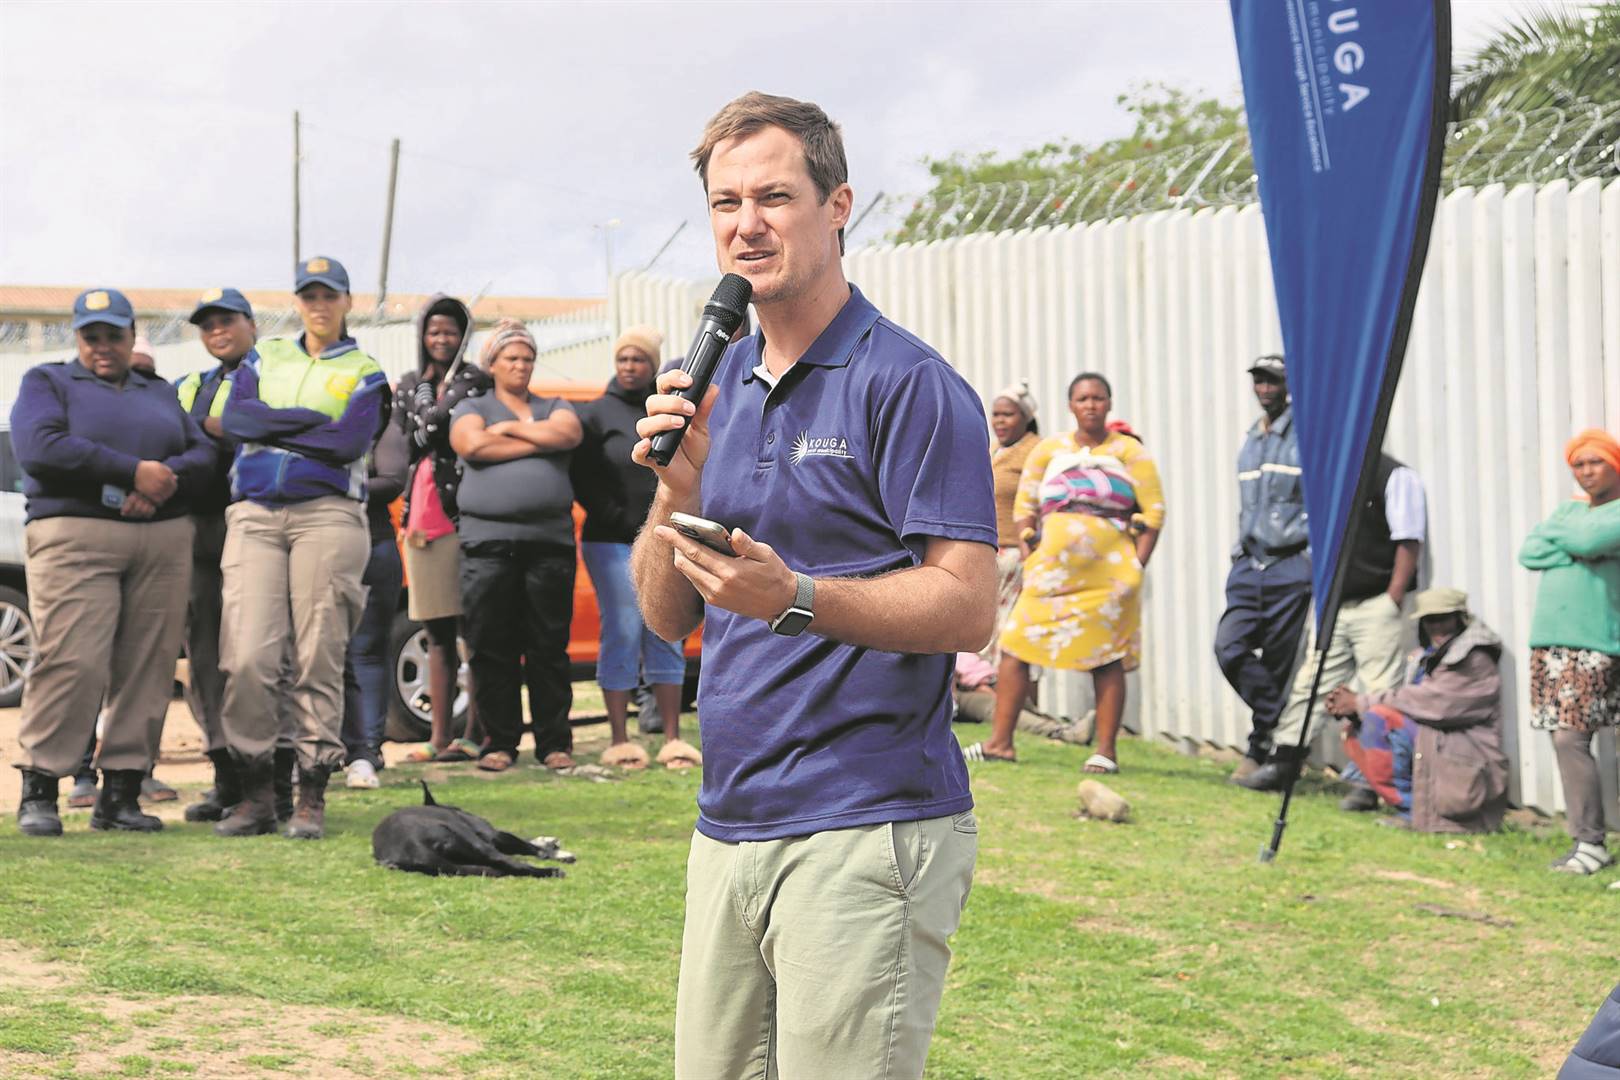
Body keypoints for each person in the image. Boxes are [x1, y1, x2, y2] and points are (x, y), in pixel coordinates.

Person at [630, 92, 996, 1079]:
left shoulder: (908, 383)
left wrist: (795, 596)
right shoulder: (715, 386)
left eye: (775, 197)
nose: (747, 224)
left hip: (866, 822)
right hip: (729, 822)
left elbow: (968, 605)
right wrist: (676, 491)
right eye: (726, 203)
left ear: (838, 207)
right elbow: (664, 616)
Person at [10, 288, 213, 836]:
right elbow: (40, 448)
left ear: (131, 336)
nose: (103, 345)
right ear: (77, 338)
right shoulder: (48, 382)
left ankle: (121, 793)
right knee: (72, 659)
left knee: (149, 665)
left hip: (161, 533)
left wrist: (158, 483)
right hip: (76, 535)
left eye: (113, 335)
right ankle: (40, 789)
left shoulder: (158, 390)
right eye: (91, 335)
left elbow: (202, 453)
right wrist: (131, 472)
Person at [211, 256, 389, 840]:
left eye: (329, 295)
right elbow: (238, 420)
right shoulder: (266, 356)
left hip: (327, 514)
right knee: (248, 657)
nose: (318, 305)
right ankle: (258, 794)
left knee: (319, 653)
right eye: (309, 296)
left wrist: (273, 423)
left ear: (347, 302)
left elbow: (348, 443)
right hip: (255, 514)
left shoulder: (366, 370)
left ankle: (311, 791)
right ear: (296, 302)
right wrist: (308, 420)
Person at [962, 372, 1166, 775]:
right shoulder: (1050, 450)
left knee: (1107, 657)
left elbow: (1154, 513)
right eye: (1082, 399)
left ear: (1109, 403)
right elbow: (1025, 506)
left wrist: (1136, 567)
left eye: (1097, 398)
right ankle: (1000, 743)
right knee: (1015, 647)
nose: (1090, 405)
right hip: (1051, 575)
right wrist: (1030, 552)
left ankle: (1105, 751)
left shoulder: (1129, 452)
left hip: (1109, 579)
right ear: (1070, 405)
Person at [1235, 452, 1426, 793]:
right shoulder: (1330, 475)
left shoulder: (1395, 476)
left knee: (1378, 688)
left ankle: (1372, 782)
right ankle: (1284, 761)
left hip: (1376, 601)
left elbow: (1409, 539)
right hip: (1335, 602)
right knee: (1311, 682)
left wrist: (1392, 597)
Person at [449, 319, 582, 774]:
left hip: (549, 544)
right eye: (511, 358)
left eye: (528, 358)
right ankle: (499, 742)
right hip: (487, 544)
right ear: (492, 364)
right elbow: (471, 444)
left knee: (549, 645)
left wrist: (504, 430)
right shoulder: (472, 406)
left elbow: (567, 434)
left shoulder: (555, 405)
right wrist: (533, 436)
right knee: (491, 645)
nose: (521, 365)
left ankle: (554, 743)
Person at [572, 326, 699, 770]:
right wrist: (614, 515)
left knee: (667, 627)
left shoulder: (666, 408)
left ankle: (672, 738)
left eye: (639, 360)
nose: (630, 367)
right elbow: (582, 476)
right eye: (623, 359)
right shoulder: (594, 414)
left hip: (663, 535)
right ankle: (619, 739)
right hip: (610, 541)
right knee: (624, 627)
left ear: (653, 365)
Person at [1322, 587, 1509, 832]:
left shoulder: (1474, 658)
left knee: (1379, 718)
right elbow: (1409, 703)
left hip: (1465, 753)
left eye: (1443, 619)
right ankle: (1398, 803)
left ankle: (1414, 812)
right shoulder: (1426, 654)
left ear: (1460, 619)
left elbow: (1434, 705)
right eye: (1430, 620)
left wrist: (1361, 702)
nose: (1437, 627)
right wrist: (1354, 710)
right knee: (1358, 727)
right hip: (1435, 744)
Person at [1520, 428, 1620, 875]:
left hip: (1595, 641)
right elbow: (1530, 551)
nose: (1586, 472)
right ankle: (1586, 840)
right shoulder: (1569, 510)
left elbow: (1585, 543)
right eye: (1578, 465)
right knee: (1560, 734)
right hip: (1551, 642)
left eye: (1596, 462)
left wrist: (1573, 542)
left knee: (1571, 736)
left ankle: (1591, 842)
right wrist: (1578, 544)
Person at [394, 295, 489, 762]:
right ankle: (437, 737)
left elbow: (429, 429)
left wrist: (429, 418)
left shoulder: (475, 380)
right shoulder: (408, 384)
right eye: (434, 330)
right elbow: (406, 439)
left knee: (474, 629)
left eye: (450, 330)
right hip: (420, 519)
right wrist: (432, 417)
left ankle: (475, 731)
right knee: (435, 631)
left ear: (463, 335)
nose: (441, 338)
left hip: (464, 514)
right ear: (422, 335)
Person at [1214, 355, 1313, 781]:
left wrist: (1308, 558)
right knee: (1229, 647)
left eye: (1273, 381)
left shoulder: (1304, 436)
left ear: (1288, 386)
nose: (1265, 389)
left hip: (1289, 564)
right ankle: (1286, 727)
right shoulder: (1253, 438)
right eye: (1259, 381)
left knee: (1277, 661)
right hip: (1250, 564)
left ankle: (1260, 752)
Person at [340, 409, 409, 788]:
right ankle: (325, 745)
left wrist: (329, 484)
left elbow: (393, 479)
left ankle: (366, 747)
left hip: (373, 543)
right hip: (322, 546)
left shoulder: (381, 424)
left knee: (367, 648)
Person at [985, 380, 1041, 667]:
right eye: (996, 414)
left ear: (1026, 418)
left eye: (1008, 414)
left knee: (1011, 633)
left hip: (1019, 554)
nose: (999, 421)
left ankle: (1010, 691)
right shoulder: (994, 450)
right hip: (991, 555)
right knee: (990, 630)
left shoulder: (1036, 451)